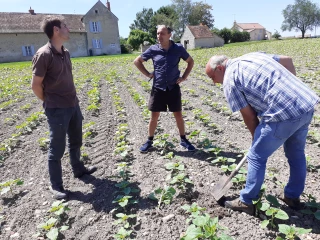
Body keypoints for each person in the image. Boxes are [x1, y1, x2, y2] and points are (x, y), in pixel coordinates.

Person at [205, 52, 319, 215]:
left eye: (212, 77)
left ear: (221, 68)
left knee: (256, 156)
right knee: (297, 154)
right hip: (305, 104)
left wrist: (255, 140)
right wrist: (289, 93)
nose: (214, 82)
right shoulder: (253, 56)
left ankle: (246, 201)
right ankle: (292, 197)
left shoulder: (229, 80)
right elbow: (287, 60)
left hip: (282, 115)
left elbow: (250, 117)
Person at [31, 17, 97, 200]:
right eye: (65, 26)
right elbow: (35, 85)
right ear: (56, 30)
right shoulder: (43, 54)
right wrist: (50, 101)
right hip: (57, 109)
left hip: (72, 104)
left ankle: (78, 169)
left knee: (76, 140)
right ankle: (56, 186)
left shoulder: (65, 52)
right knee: (57, 148)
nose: (69, 28)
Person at [133, 25, 195, 153]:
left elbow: (190, 61)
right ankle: (149, 141)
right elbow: (137, 61)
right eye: (157, 34)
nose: (159, 36)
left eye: (162, 34)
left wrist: (183, 77)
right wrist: (148, 74)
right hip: (158, 88)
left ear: (169, 35)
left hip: (173, 87)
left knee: (178, 114)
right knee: (154, 116)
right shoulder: (153, 49)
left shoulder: (178, 48)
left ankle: (183, 139)